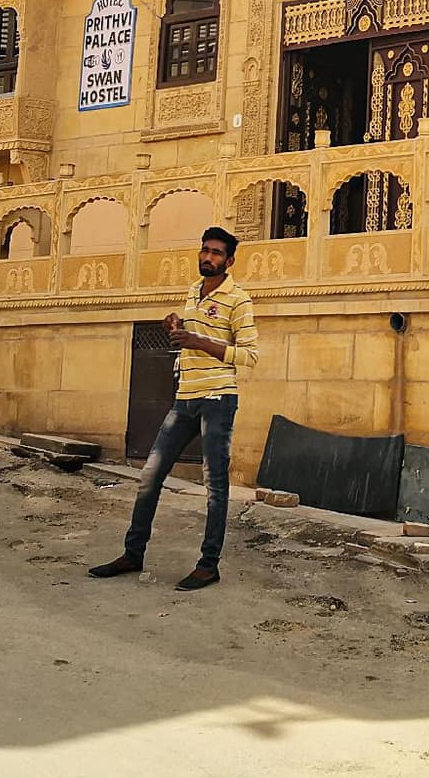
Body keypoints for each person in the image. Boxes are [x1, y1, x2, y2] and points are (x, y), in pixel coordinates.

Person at [88, 226, 257, 589]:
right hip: (185, 397)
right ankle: (133, 553)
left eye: (216, 253)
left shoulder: (239, 300)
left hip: (218, 398)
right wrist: (175, 324)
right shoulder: (194, 292)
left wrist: (198, 341)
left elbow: (249, 355)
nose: (208, 257)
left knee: (214, 485)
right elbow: (191, 335)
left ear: (229, 261)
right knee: (150, 475)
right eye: (205, 250)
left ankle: (208, 565)